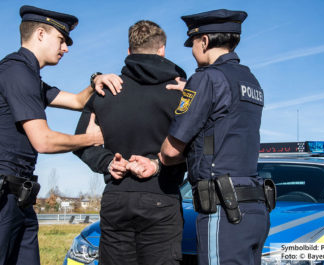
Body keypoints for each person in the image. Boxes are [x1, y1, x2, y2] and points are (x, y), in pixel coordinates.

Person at [129, 9, 273, 265]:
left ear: (204, 41)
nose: (193, 51)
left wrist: (157, 158)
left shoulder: (205, 79)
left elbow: (172, 150)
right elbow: (223, 129)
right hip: (254, 206)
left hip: (224, 208)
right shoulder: (250, 80)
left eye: (193, 43)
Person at [0, 5, 123, 265]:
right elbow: (43, 140)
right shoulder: (16, 72)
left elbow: (77, 101)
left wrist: (96, 81)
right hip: (5, 197)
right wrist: (90, 139)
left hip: (20, 198)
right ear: (41, 34)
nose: (66, 47)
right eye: (62, 39)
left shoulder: (31, 78)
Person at [73, 20, 187, 265]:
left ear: (128, 52)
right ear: (162, 50)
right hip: (162, 194)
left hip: (116, 195)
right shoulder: (180, 93)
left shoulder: (104, 90)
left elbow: (80, 142)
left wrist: (107, 163)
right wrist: (157, 163)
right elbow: (194, 146)